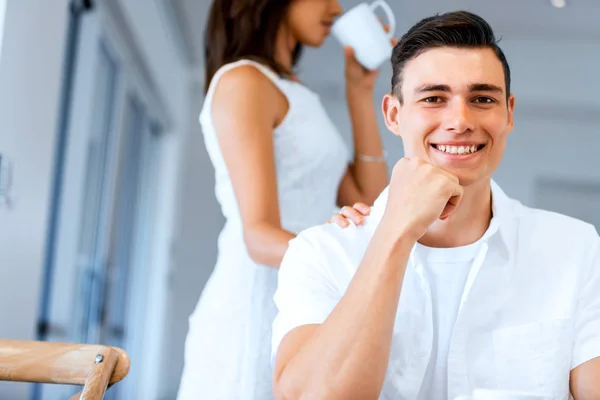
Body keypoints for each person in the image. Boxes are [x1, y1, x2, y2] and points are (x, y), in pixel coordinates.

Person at [272, 11, 600, 400]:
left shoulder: (574, 247)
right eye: (433, 98)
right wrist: (395, 230)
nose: (459, 120)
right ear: (394, 115)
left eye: (482, 98)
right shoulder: (321, 253)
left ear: (508, 113)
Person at [176, 0, 391, 399]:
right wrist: (353, 267)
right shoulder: (244, 81)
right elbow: (258, 236)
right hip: (255, 305)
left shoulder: (294, 91)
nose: (335, 6)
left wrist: (361, 94)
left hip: (301, 297)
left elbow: (369, 201)